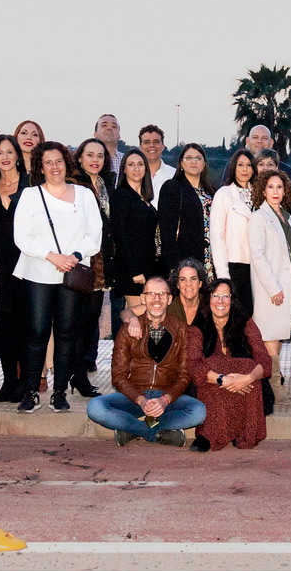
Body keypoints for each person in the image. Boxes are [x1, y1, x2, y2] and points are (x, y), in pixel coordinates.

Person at [12, 141, 102, 415]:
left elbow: (95, 232)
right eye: (48, 162)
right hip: (38, 272)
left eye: (59, 161)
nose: (54, 167)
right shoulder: (30, 195)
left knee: (66, 333)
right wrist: (52, 256)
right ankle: (30, 392)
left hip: (72, 273)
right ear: (40, 167)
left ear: (67, 163)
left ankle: (59, 393)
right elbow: (21, 237)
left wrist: (74, 256)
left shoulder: (84, 195)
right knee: (37, 332)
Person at [87, 276, 206, 447]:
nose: (156, 299)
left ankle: (131, 429)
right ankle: (153, 431)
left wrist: (164, 400)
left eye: (162, 294)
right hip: (133, 396)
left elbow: (184, 375)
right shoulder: (128, 330)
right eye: (151, 294)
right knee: (95, 408)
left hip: (166, 397)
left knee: (199, 411)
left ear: (169, 299)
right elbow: (118, 376)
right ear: (143, 299)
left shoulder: (181, 330)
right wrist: (141, 400)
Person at [187, 279, 271, 451]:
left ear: (232, 300)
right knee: (212, 365)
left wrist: (248, 378)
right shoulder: (198, 328)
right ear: (208, 299)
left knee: (248, 366)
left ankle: (232, 433)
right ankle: (216, 433)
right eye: (215, 296)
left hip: (247, 383)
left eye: (225, 296)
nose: (220, 301)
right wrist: (223, 380)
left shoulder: (246, 323)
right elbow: (193, 365)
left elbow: (264, 359)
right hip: (213, 384)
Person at [248, 170, 291, 399]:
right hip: (270, 288)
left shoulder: (288, 217)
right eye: (270, 187)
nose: (275, 191)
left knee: (281, 333)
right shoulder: (259, 217)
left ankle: (273, 384)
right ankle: (274, 388)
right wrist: (273, 288)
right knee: (270, 336)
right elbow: (258, 256)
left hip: (290, 286)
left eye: (279, 187)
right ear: (263, 190)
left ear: (286, 191)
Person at [70, 138, 115, 396]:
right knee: (78, 325)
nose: (95, 160)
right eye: (90, 155)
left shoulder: (104, 183)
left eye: (100, 155)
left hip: (101, 265)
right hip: (83, 263)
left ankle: (78, 374)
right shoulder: (75, 185)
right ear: (79, 158)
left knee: (90, 323)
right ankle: (76, 376)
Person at [0, 135, 29, 403]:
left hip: (26, 263)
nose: (5, 157)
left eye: (10, 152)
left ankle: (25, 383)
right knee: (3, 326)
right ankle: (8, 381)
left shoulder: (30, 185)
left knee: (25, 325)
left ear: (17, 156)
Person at [110, 148, 161, 336]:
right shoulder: (121, 196)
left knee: (145, 320)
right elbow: (120, 235)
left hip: (147, 266)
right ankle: (128, 354)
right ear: (124, 169)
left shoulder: (144, 199)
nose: (136, 168)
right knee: (139, 319)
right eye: (131, 164)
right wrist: (134, 271)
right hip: (132, 270)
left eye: (140, 164)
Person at [158, 143, 215, 277]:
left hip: (211, 258)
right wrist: (174, 266)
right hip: (184, 259)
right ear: (181, 163)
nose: (193, 161)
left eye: (198, 158)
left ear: (204, 164)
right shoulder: (172, 187)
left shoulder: (212, 191)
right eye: (189, 158)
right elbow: (166, 231)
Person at [211, 148, 257, 310]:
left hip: (257, 265)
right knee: (237, 312)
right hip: (234, 264)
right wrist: (223, 275)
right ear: (233, 167)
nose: (245, 169)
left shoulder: (260, 194)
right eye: (240, 165)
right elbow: (217, 237)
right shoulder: (223, 194)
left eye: (249, 165)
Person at [225, 124, 291, 183]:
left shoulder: (285, 169)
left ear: (271, 143)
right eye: (255, 137)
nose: (259, 141)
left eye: (264, 138)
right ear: (247, 141)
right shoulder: (233, 167)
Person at [138, 124, 177, 205]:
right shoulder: (133, 175)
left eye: (156, 142)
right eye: (146, 142)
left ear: (163, 146)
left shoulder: (175, 175)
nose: (152, 145)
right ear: (140, 147)